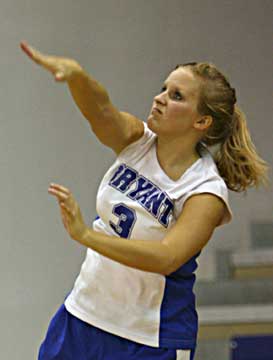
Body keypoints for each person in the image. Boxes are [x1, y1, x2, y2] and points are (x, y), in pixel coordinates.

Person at [20, 41, 269, 360]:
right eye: (164, 88)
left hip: (149, 338)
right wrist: (77, 77)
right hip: (83, 316)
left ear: (201, 122)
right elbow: (101, 111)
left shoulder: (206, 190)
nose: (159, 98)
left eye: (176, 96)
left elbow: (166, 257)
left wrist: (87, 236)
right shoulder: (137, 141)